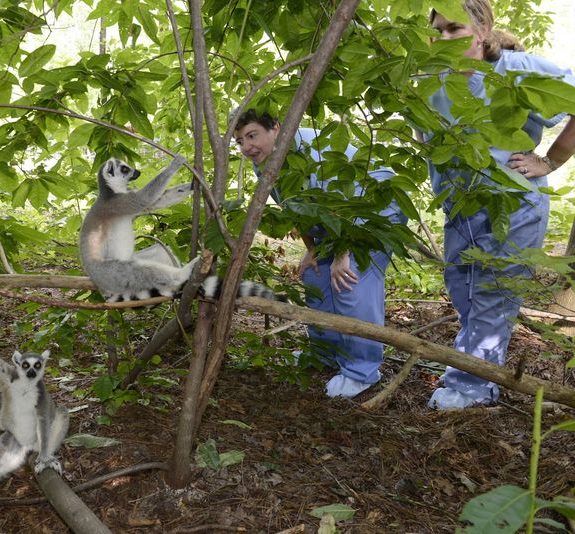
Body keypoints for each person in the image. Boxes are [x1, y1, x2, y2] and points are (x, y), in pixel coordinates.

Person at [423, 0, 575, 409]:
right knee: (462, 289)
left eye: (454, 29)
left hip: (515, 206)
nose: (445, 39)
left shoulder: (521, 70)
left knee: (493, 292)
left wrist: (551, 160)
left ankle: (475, 386)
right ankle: (468, 365)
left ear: (483, 25)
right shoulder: (435, 81)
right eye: (438, 32)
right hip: (460, 208)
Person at [233, 110, 406, 398]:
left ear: (276, 128)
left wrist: (342, 255)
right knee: (315, 278)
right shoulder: (264, 164)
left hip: (371, 216)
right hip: (331, 227)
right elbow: (293, 209)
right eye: (239, 141)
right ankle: (326, 353)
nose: (246, 147)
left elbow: (347, 203)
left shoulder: (316, 151)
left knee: (350, 283)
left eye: (252, 135)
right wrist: (312, 250)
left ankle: (361, 371)